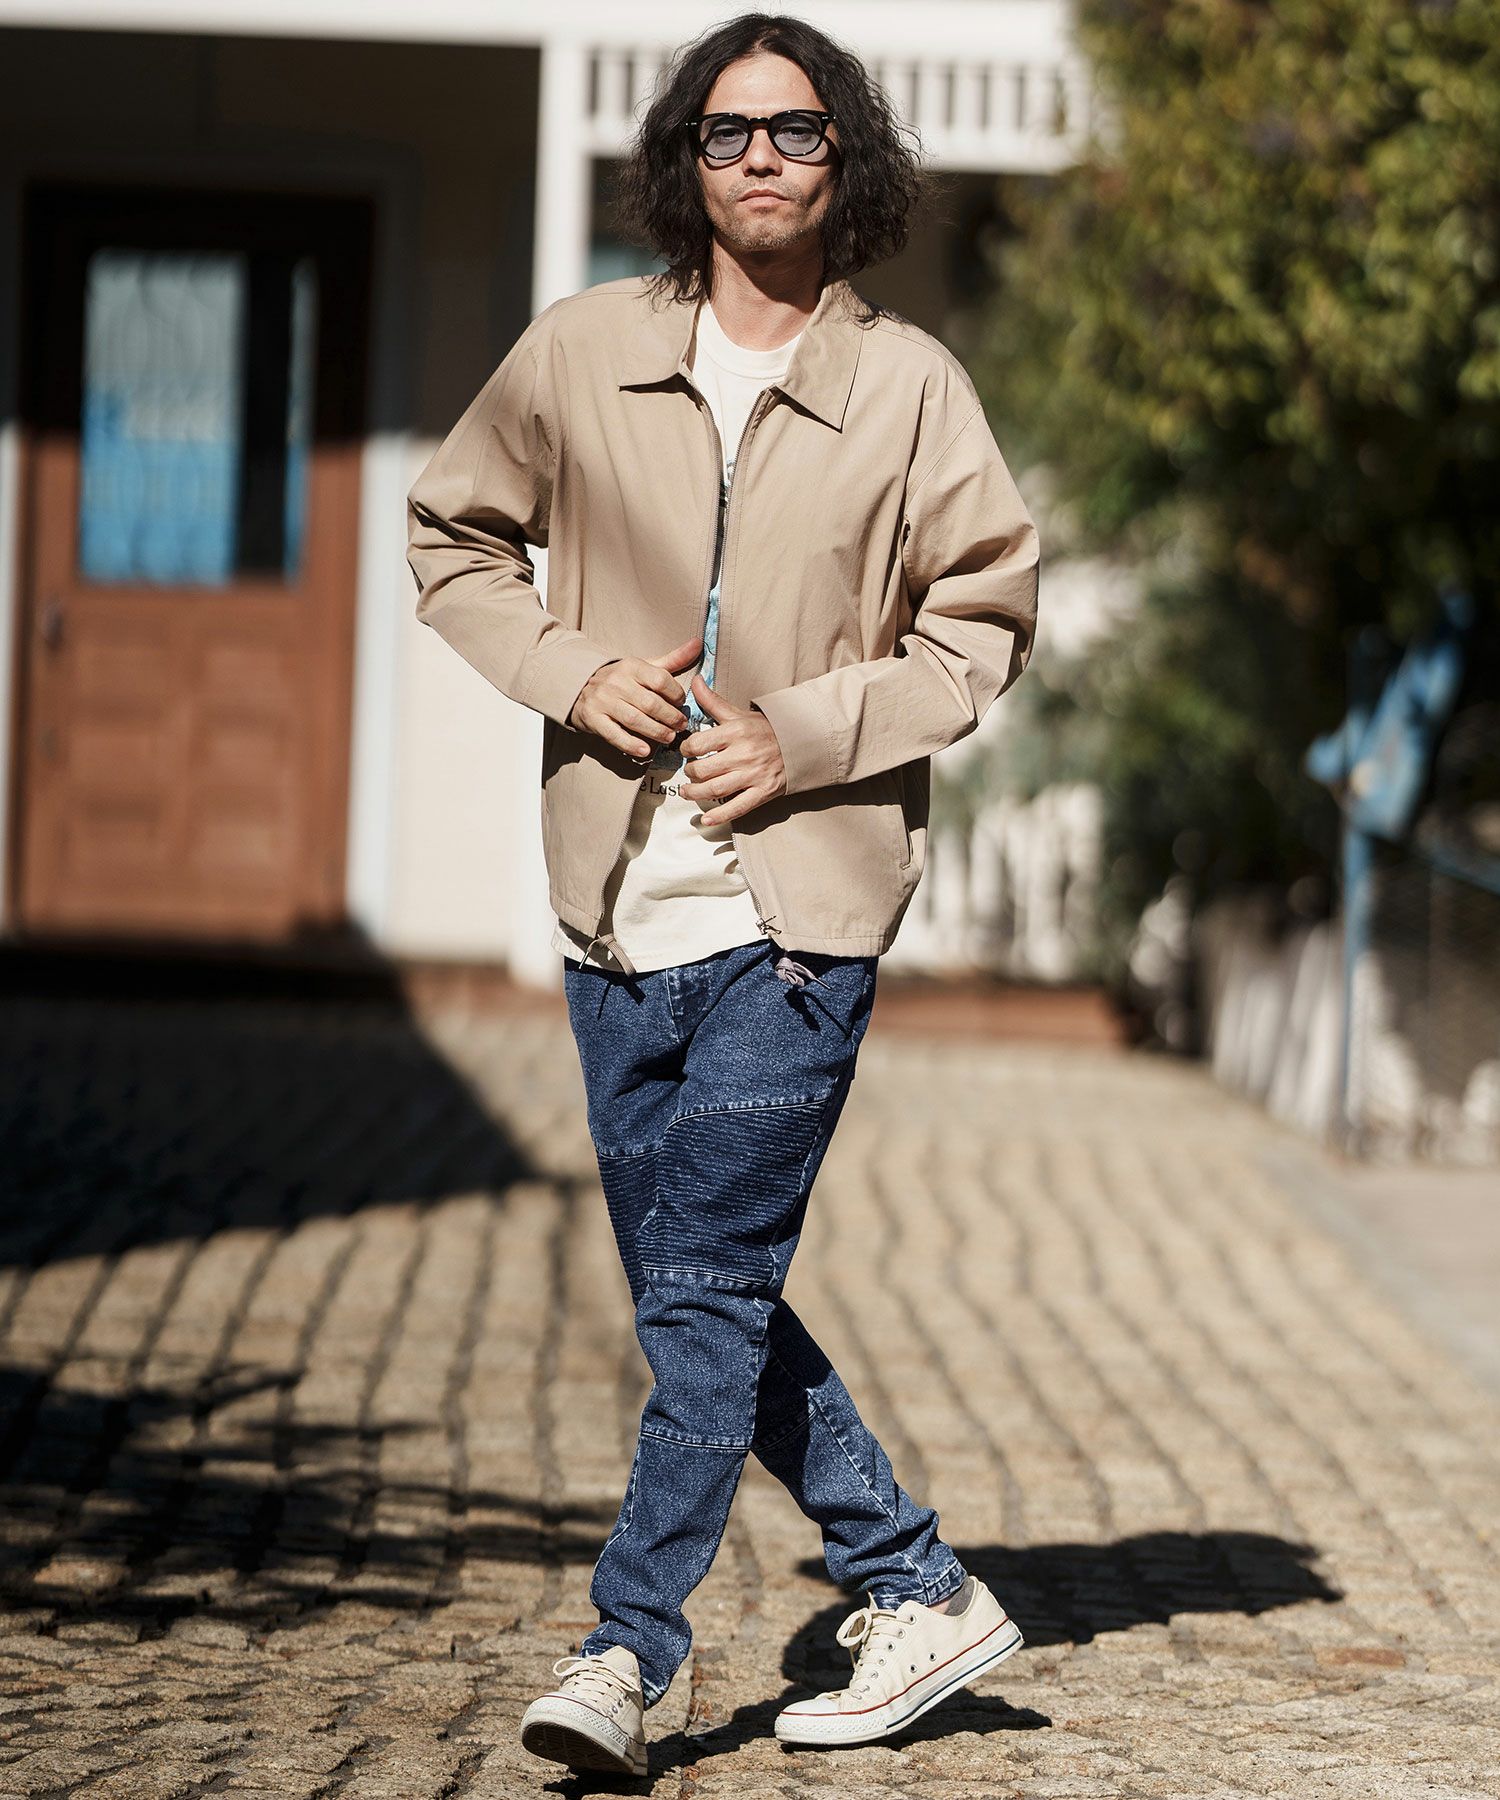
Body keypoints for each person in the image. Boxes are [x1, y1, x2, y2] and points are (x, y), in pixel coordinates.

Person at [405, 10, 1039, 1777]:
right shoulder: (580, 350)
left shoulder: (910, 388)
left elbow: (981, 624)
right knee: (707, 1296)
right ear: (687, 158)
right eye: (730, 131)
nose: (763, 157)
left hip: (799, 928)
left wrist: (804, 734)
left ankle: (629, 1647)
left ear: (850, 162)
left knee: (700, 1293)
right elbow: (453, 537)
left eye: (799, 130)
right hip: (616, 919)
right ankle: (917, 1586)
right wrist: (568, 672)